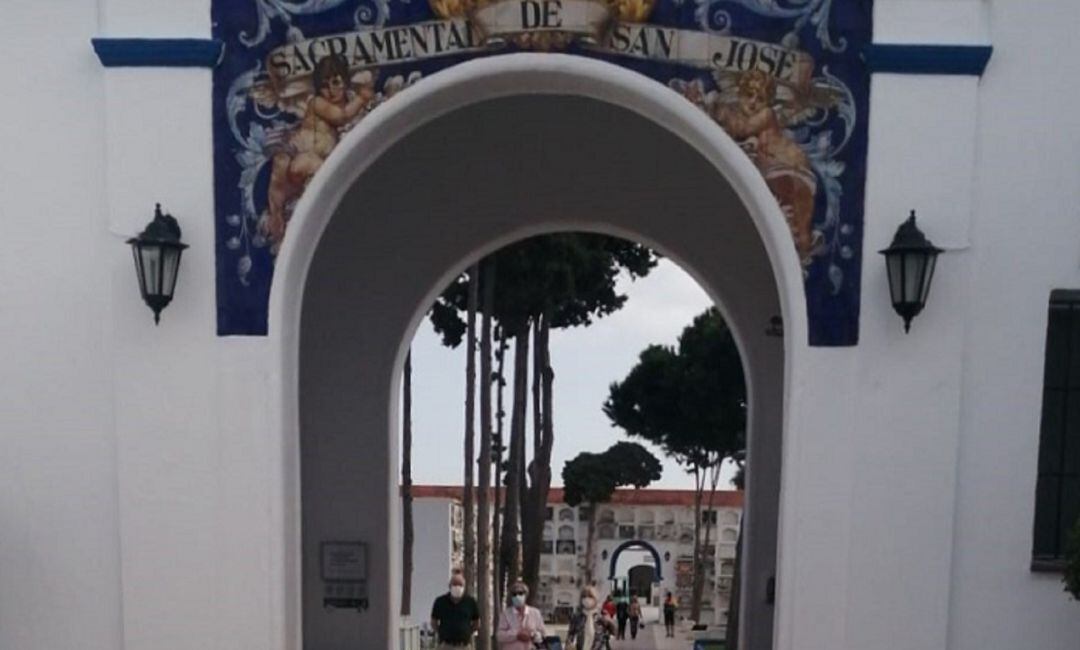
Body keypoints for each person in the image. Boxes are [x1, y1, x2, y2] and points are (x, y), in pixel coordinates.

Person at [263, 53, 376, 247]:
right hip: (300, 157)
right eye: (324, 85)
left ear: (344, 81)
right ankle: (276, 218)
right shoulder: (317, 102)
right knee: (284, 170)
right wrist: (361, 98)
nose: (331, 90)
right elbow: (341, 116)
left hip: (312, 166)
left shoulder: (343, 100)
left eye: (335, 82)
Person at [430, 572, 481, 649]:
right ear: (450, 586)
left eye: (460, 585)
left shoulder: (470, 602)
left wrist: (468, 631)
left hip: (464, 645)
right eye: (455, 584)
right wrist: (441, 632)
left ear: (464, 587)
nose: (457, 587)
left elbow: (477, 622)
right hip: (446, 645)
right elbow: (434, 621)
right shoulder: (440, 601)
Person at [496, 581, 546, 650]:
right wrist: (517, 635)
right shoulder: (505, 614)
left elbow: (542, 634)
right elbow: (500, 635)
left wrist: (532, 635)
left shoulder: (535, 613)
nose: (517, 596)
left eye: (520, 593)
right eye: (514, 594)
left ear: (526, 595)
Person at [566, 586, 615, 650]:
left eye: (590, 596)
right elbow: (571, 634)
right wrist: (569, 645)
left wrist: (610, 622)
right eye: (584, 597)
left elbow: (614, 632)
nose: (587, 599)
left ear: (595, 599)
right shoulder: (577, 617)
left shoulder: (602, 615)